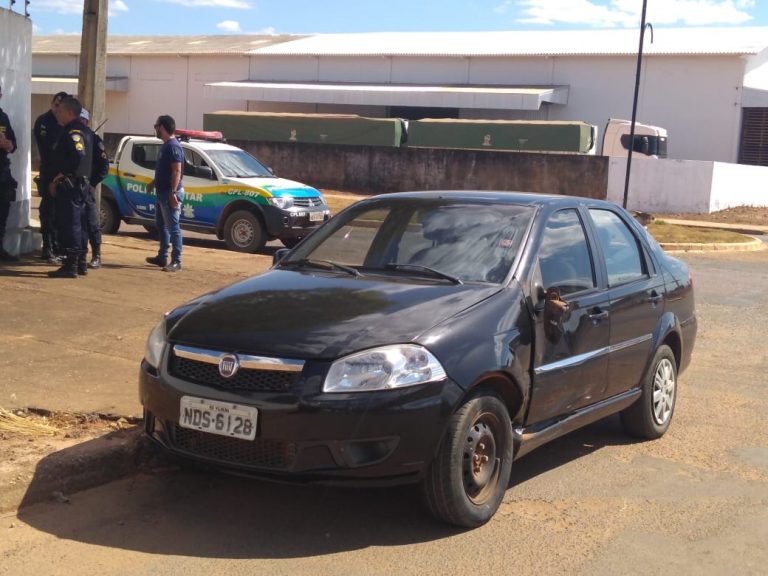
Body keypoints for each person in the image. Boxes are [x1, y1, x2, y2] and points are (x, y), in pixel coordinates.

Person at [47, 96, 94, 278]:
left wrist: (63, 174)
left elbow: (78, 155)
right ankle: (80, 262)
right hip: (79, 184)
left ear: (69, 112)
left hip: (71, 186)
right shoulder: (84, 130)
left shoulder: (73, 131)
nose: (57, 114)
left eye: (60, 111)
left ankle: (71, 265)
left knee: (70, 224)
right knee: (79, 224)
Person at [145, 115, 184, 272]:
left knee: (173, 228)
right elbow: (165, 170)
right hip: (162, 192)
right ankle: (162, 257)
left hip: (169, 193)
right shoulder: (166, 146)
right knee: (161, 226)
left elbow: (176, 171)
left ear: (161, 127)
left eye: (156, 126)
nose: (155, 129)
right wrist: (153, 183)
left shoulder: (173, 147)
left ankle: (176, 261)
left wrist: (173, 192)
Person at [34, 91, 69, 263]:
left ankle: (60, 248)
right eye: (56, 105)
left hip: (64, 174)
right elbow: (47, 148)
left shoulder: (68, 124)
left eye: (61, 106)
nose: (57, 109)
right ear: (52, 103)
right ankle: (48, 248)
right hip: (49, 173)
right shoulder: (44, 121)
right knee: (48, 211)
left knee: (62, 213)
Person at [78, 108, 109, 268]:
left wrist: (93, 184)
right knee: (76, 223)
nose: (80, 122)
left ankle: (96, 255)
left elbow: (104, 166)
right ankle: (79, 255)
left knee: (91, 222)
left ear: (87, 121)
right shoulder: (71, 136)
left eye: (82, 119)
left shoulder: (94, 140)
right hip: (73, 188)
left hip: (87, 187)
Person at [0, 83, 19, 262]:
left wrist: (8, 145)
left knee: (2, 211)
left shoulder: (3, 117)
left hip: (2, 172)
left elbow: (14, 144)